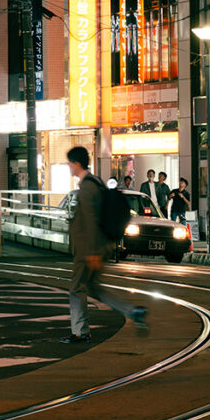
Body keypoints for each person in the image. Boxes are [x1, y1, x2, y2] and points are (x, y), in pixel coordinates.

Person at [62, 146, 147, 344]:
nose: (69, 167)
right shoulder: (96, 182)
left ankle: (80, 331)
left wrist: (92, 253)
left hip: (90, 250)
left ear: (76, 163)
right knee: (93, 288)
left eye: (69, 163)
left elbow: (91, 222)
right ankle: (133, 311)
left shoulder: (86, 188)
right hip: (99, 247)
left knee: (76, 288)